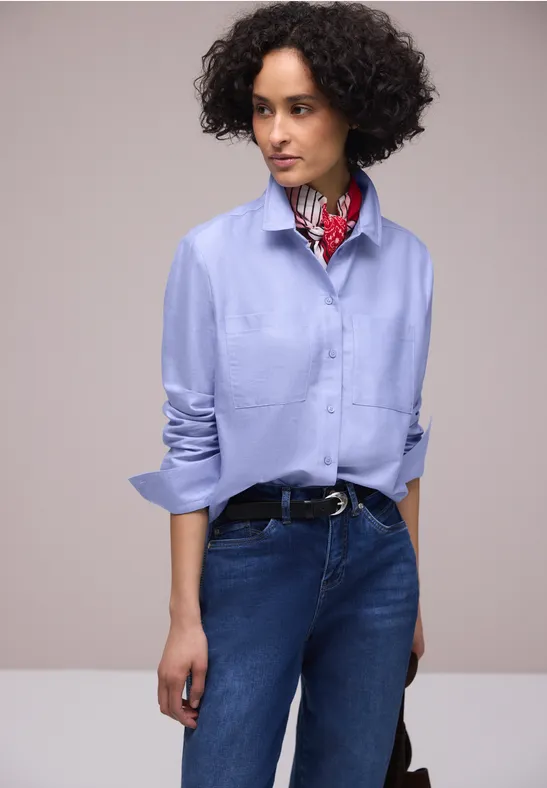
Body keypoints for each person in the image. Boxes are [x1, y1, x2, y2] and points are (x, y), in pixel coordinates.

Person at [128, 2, 438, 786]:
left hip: (376, 558)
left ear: (353, 110)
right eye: (262, 109)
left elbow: (405, 439)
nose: (275, 133)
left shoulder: (409, 262)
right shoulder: (209, 255)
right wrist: (184, 617)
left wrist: (409, 595)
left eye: (300, 108)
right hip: (255, 552)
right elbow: (191, 440)